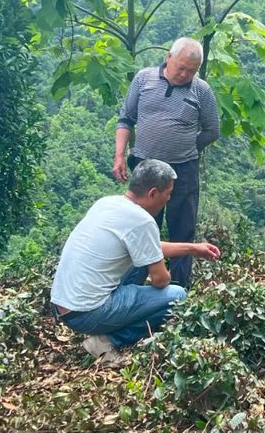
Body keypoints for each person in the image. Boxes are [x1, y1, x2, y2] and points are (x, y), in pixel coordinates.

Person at [50, 159, 221, 364]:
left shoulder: (107, 202)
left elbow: (147, 246)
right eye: (167, 195)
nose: (168, 200)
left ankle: (120, 314)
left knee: (139, 260)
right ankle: (107, 340)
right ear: (152, 194)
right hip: (87, 314)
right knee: (177, 295)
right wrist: (162, 271)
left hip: (64, 305)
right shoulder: (143, 221)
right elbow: (160, 281)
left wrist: (193, 249)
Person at [112, 37, 220, 288]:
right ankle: (132, 287)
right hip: (145, 169)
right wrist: (119, 156)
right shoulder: (143, 79)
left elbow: (212, 130)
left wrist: (187, 147)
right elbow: (126, 119)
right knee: (139, 229)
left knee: (183, 229)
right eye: (180, 67)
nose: (184, 74)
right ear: (168, 57)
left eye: (191, 71)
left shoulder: (201, 90)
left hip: (183, 171)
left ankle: (178, 293)